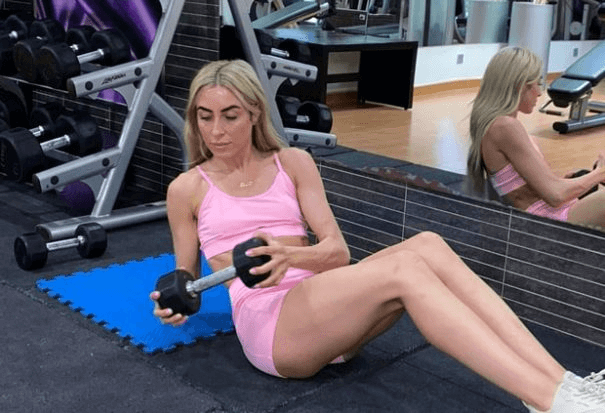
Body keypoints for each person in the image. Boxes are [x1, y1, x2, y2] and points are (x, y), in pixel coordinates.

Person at [151, 58, 604, 413]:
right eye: (205, 117)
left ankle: (563, 383)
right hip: (273, 329)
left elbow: (336, 252)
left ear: (254, 112)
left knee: (428, 244)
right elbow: (186, 280)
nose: (216, 131)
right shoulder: (187, 189)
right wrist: (173, 305)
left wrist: (292, 257)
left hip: (329, 310)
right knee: (406, 269)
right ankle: (552, 402)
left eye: (229, 116)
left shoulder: (293, 164)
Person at [468, 46, 605, 230]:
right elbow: (556, 196)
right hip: (549, 219)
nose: (540, 93)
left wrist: (571, 181)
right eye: (536, 84)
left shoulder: (498, 125)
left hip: (552, 211)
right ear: (519, 86)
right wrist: (600, 173)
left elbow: (531, 187)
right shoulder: (505, 126)